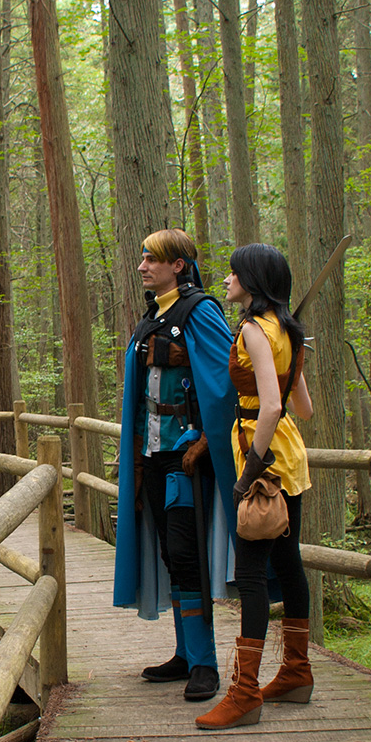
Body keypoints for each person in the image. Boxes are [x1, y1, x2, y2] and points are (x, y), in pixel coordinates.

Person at [113, 229, 239, 702]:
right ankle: (185, 656)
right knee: (170, 554)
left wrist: (207, 438)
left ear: (179, 265)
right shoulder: (152, 318)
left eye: (152, 259)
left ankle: (205, 664)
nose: (143, 266)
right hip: (153, 457)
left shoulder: (200, 311)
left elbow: (225, 379)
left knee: (187, 556)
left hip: (187, 460)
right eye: (142, 258)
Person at [196, 242, 314, 730]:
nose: (226, 280)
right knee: (288, 564)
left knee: (250, 574)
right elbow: (302, 409)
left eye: (233, 273)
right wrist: (297, 358)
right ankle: (296, 673)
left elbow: (269, 406)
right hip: (290, 455)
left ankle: (245, 693)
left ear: (253, 281)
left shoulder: (252, 329)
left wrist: (248, 475)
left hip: (263, 458)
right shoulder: (285, 330)